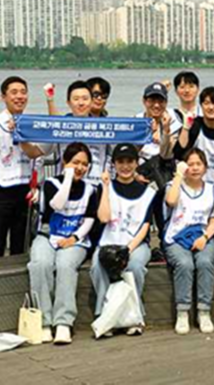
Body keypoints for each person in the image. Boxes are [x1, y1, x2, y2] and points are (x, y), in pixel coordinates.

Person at [27, 142, 100, 345]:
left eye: (85, 164)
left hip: (76, 238)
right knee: (40, 264)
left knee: (65, 265)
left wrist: (75, 238)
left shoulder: (90, 190)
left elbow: (90, 219)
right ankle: (43, 321)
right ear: (65, 162)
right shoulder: (51, 184)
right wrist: (67, 178)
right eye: (75, 162)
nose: (80, 168)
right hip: (47, 235)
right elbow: (57, 204)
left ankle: (63, 322)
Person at [91, 144, 158, 337]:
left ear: (137, 163)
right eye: (121, 162)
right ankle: (105, 316)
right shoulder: (105, 187)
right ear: (114, 164)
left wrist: (128, 249)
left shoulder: (148, 191)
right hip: (108, 241)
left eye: (130, 161)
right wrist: (104, 187)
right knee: (97, 266)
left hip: (136, 244)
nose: (125, 166)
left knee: (135, 266)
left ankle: (133, 316)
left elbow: (146, 225)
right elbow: (103, 218)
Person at [162, 148, 214, 335]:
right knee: (185, 264)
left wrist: (204, 238)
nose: (194, 168)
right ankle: (183, 312)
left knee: (204, 262)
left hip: (203, 235)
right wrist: (179, 174)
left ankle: (204, 311)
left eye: (198, 164)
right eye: (190, 164)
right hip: (176, 237)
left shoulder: (212, 188)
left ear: (205, 167)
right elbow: (171, 202)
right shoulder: (174, 184)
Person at [0, 76, 34, 258]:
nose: (19, 96)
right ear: (3, 97)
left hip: (25, 187)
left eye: (23, 92)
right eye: (14, 92)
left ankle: (18, 283)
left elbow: (40, 155)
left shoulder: (31, 123)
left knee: (21, 242)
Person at [27, 80, 111, 185]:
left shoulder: (106, 127)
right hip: (65, 187)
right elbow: (34, 152)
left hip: (95, 187)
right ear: (68, 102)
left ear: (91, 101)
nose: (81, 103)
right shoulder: (61, 127)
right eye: (76, 99)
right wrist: (21, 136)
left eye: (85, 99)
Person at [135, 82, 176, 165]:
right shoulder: (137, 121)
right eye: (152, 101)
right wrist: (148, 134)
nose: (156, 105)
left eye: (161, 101)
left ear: (166, 102)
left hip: (164, 168)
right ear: (144, 101)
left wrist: (166, 131)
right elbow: (131, 152)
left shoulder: (173, 121)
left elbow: (167, 155)